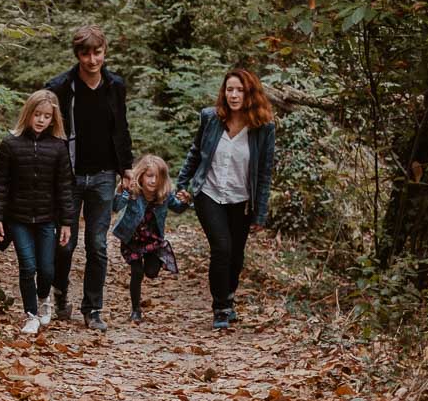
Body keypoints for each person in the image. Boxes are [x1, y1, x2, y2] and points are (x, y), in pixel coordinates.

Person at [45, 25, 134, 331]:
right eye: (86, 53)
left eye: (97, 52)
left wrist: (126, 169)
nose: (92, 59)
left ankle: (92, 308)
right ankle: (58, 294)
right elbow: (48, 130)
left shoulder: (114, 85)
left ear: (104, 52)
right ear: (78, 55)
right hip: (68, 176)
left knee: (97, 243)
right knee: (64, 243)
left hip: (104, 175)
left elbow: (120, 128)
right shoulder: (60, 87)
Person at [173, 68, 277, 330]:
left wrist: (260, 212)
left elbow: (264, 173)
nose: (233, 95)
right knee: (222, 248)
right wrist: (182, 184)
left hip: (241, 200)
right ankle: (220, 307)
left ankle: (229, 297)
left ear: (250, 93)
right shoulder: (211, 118)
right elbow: (195, 154)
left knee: (236, 254)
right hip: (209, 193)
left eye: (239, 90)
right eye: (229, 89)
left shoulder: (263, 128)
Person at [0, 90, 75, 334]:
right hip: (18, 218)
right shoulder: (10, 144)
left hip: (47, 219)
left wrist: (67, 222)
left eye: (46, 116)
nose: (41, 120)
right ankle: (31, 315)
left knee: (46, 269)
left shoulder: (58, 147)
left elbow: (65, 187)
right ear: (28, 114)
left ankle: (44, 299)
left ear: (53, 119)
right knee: (27, 267)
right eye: (37, 114)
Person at [112, 154, 185, 324]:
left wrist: (186, 201)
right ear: (141, 176)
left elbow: (178, 208)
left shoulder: (165, 196)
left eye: (157, 177)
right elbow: (116, 207)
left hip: (153, 241)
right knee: (137, 272)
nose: (153, 181)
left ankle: (157, 260)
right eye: (149, 176)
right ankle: (135, 310)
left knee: (151, 273)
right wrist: (121, 191)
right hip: (132, 239)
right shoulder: (133, 192)